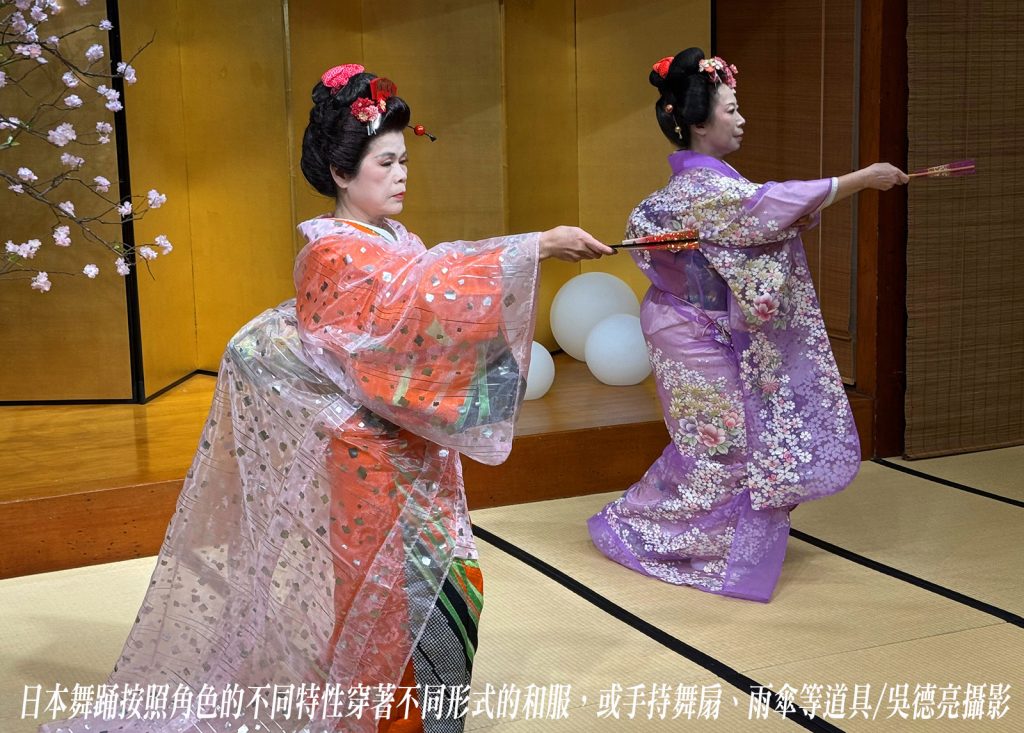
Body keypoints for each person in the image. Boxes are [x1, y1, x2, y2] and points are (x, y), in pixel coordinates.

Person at [42, 64, 611, 733]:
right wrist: (535, 247)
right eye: (386, 161)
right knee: (393, 608)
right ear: (343, 173)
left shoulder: (397, 241)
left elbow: (428, 306)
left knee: (448, 593)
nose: (402, 173)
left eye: (404, 159)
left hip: (417, 450)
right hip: (370, 461)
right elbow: (413, 307)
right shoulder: (332, 254)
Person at [587, 48, 908, 603]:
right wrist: (861, 179)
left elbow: (761, 214)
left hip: (697, 324)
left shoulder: (715, 187)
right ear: (697, 122)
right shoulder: (702, 190)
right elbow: (764, 206)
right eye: (731, 109)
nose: (741, 120)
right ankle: (642, 526)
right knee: (723, 445)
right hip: (685, 330)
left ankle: (710, 538)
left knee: (730, 441)